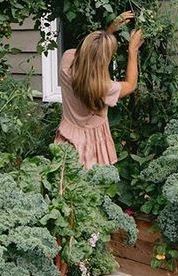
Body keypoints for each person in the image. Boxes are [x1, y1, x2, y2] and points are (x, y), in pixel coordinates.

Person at [54, 11, 144, 169]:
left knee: (66, 182)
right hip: (93, 144)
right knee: (94, 186)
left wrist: (109, 31)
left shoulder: (66, 61)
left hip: (69, 137)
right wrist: (133, 50)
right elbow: (130, 85)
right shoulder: (104, 88)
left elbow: (90, 54)